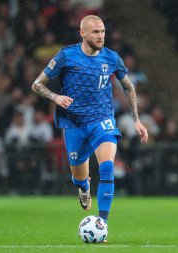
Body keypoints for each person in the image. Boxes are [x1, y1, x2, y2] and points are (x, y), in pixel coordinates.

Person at [31, 15, 148, 226]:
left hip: (102, 120)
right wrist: (56, 97)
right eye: (95, 32)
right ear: (82, 33)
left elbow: (128, 87)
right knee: (78, 176)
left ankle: (102, 224)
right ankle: (83, 187)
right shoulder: (66, 56)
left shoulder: (112, 58)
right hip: (74, 123)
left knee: (107, 167)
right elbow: (37, 84)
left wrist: (136, 120)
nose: (100, 36)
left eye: (102, 31)